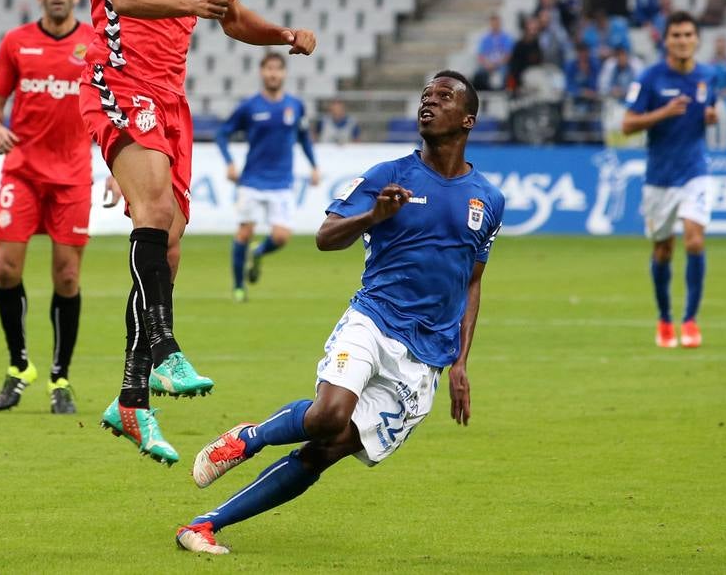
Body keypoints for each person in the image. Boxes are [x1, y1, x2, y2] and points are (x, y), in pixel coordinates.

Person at [175, 71, 504, 556]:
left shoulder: (488, 200)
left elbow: (472, 283)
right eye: (425, 95)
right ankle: (251, 437)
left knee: (324, 451)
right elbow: (325, 237)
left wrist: (461, 363)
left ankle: (204, 526)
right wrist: (373, 217)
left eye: (443, 97)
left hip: (425, 360)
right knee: (328, 415)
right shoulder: (387, 175)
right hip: (374, 319)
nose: (429, 102)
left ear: (468, 119)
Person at [80, 0, 317, 463]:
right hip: (118, 79)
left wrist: (282, 35)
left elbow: (231, 17)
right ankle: (164, 347)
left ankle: (131, 401)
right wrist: (192, 5)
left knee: (170, 241)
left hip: (170, 98)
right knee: (155, 211)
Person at [0, 0, 120, 413]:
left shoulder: (97, 44)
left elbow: (115, 110)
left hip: (72, 177)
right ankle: (19, 364)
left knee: (67, 276)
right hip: (21, 171)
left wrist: (118, 168)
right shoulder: (16, 42)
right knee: (6, 270)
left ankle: (60, 377)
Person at [621, 11, 719, 351]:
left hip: (695, 171)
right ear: (666, 40)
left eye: (688, 34)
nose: (683, 40)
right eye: (676, 35)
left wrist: (712, 116)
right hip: (660, 178)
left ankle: (690, 321)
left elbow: (709, 109)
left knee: (694, 240)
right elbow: (627, 124)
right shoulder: (650, 78)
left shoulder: (709, 76)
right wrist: (665, 112)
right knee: (663, 249)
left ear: (697, 39)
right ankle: (665, 319)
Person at [216, 53, 320, 302]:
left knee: (282, 236)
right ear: (262, 72)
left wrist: (314, 166)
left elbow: (303, 138)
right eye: (269, 68)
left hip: (282, 182)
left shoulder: (295, 106)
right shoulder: (249, 106)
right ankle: (239, 287)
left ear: (284, 73)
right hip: (252, 180)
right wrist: (230, 162)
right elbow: (222, 134)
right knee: (244, 232)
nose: (273, 73)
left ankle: (258, 253)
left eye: (277, 69)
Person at [474, 13, 513, 91]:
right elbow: (480, 55)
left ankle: (502, 90)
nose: (495, 25)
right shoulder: (485, 39)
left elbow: (508, 55)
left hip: (501, 64)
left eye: (496, 23)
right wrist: (487, 64)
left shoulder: (507, 37)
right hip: (487, 64)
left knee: (506, 72)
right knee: (478, 74)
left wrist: (496, 64)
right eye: (493, 23)